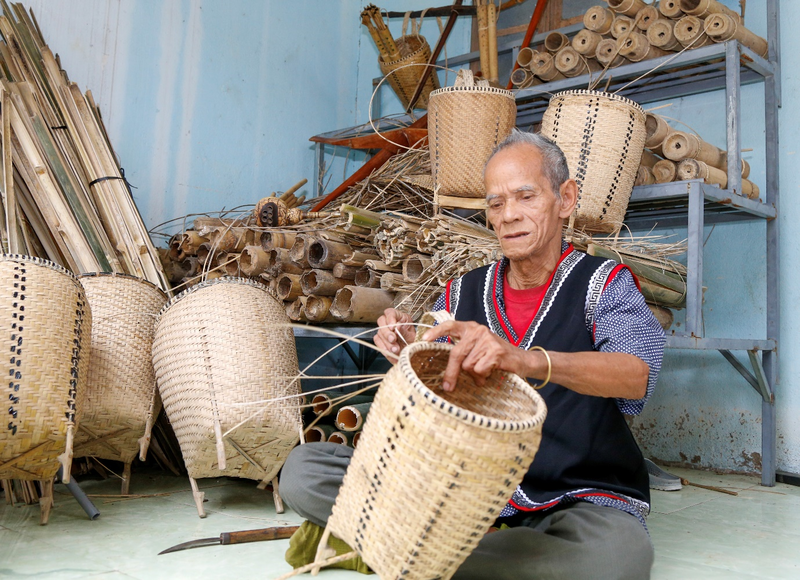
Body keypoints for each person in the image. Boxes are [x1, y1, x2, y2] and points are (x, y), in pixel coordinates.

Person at [280, 130, 665, 579]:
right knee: (304, 471)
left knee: (616, 558)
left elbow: (635, 374)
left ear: (565, 199)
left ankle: (400, 549)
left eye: (525, 197)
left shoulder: (603, 284)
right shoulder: (463, 293)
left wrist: (526, 360)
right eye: (495, 204)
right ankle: (457, 555)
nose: (508, 215)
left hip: (574, 494)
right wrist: (409, 352)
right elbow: (438, 387)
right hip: (460, 489)